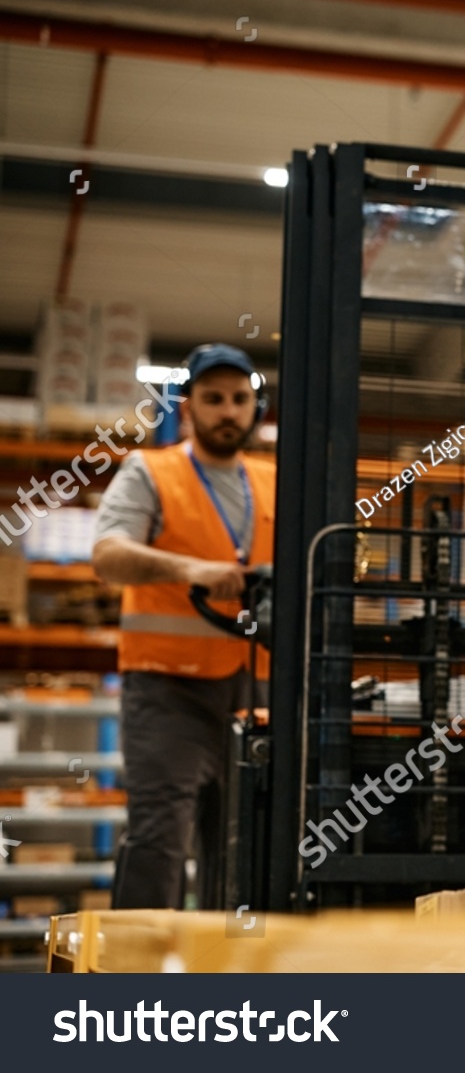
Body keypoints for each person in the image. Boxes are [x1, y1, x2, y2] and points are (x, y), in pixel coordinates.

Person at [93, 344, 275, 909]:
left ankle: (233, 979)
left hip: (255, 685)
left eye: (239, 400)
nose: (228, 410)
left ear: (254, 409)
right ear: (188, 407)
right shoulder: (151, 470)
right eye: (213, 398)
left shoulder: (277, 479)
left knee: (245, 840)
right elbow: (107, 556)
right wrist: (187, 568)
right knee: (159, 837)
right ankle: (132, 984)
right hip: (167, 686)